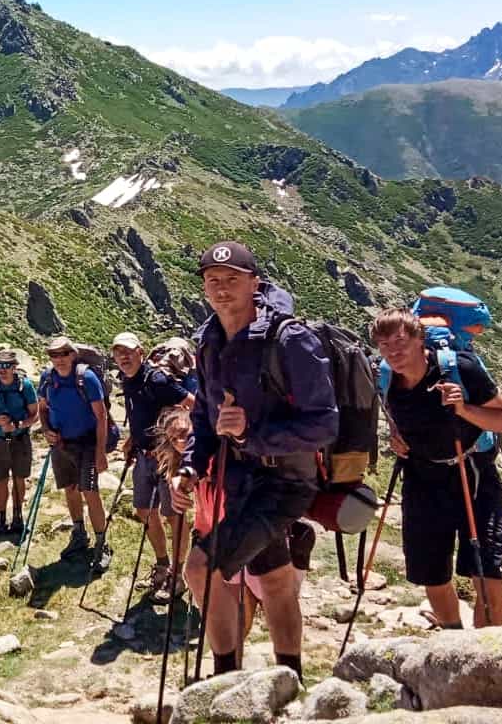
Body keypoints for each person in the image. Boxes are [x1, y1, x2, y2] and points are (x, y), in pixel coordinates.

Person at [169, 240, 338, 679]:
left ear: (254, 283)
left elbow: (324, 424)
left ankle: (225, 679)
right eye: (213, 281)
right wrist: (189, 466)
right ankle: (291, 677)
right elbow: (205, 418)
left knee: (201, 569)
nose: (222, 289)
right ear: (204, 288)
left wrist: (252, 435)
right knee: (278, 580)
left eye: (232, 280)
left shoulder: (289, 339)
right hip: (239, 482)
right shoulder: (208, 341)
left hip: (284, 483)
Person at [371, 308, 502, 628]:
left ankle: (487, 656)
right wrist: (396, 439)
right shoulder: (385, 376)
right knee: (431, 572)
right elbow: (398, 419)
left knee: (486, 571)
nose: (393, 351)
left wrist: (463, 409)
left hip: (472, 474)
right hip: (422, 477)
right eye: (384, 345)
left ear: (420, 340)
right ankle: (453, 644)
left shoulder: (458, 369)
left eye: (400, 341)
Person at [152, 406, 304, 640]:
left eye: (185, 433)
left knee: (271, 604)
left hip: (242, 536)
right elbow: (201, 505)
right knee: (237, 615)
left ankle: (281, 670)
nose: (181, 441)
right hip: (216, 543)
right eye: (174, 438)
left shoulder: (218, 456)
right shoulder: (186, 470)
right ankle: (231, 668)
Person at [113, 332, 194, 604]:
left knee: (175, 516)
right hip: (144, 455)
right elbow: (140, 413)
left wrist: (181, 441)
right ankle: (162, 566)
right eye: (118, 352)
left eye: (128, 351)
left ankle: (178, 576)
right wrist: (132, 439)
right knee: (144, 511)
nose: (123, 357)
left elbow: (191, 405)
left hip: (167, 457)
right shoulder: (129, 380)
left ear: (141, 352)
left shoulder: (157, 379)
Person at [37, 336, 113, 573]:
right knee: (70, 488)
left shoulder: (86, 378)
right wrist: (47, 430)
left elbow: (101, 417)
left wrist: (101, 453)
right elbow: (42, 408)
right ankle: (79, 533)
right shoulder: (47, 377)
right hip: (61, 442)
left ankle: (102, 543)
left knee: (89, 491)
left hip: (87, 443)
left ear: (72, 354)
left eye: (63, 354)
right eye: (54, 355)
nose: (59, 359)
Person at [0, 350, 39, 536]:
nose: (2, 370)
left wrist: (17, 424)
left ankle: (18, 517)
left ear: (14, 367)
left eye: (6, 366)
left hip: (20, 437)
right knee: (1, 480)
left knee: (20, 478)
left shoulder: (24, 386)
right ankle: (1, 519)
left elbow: (34, 414)